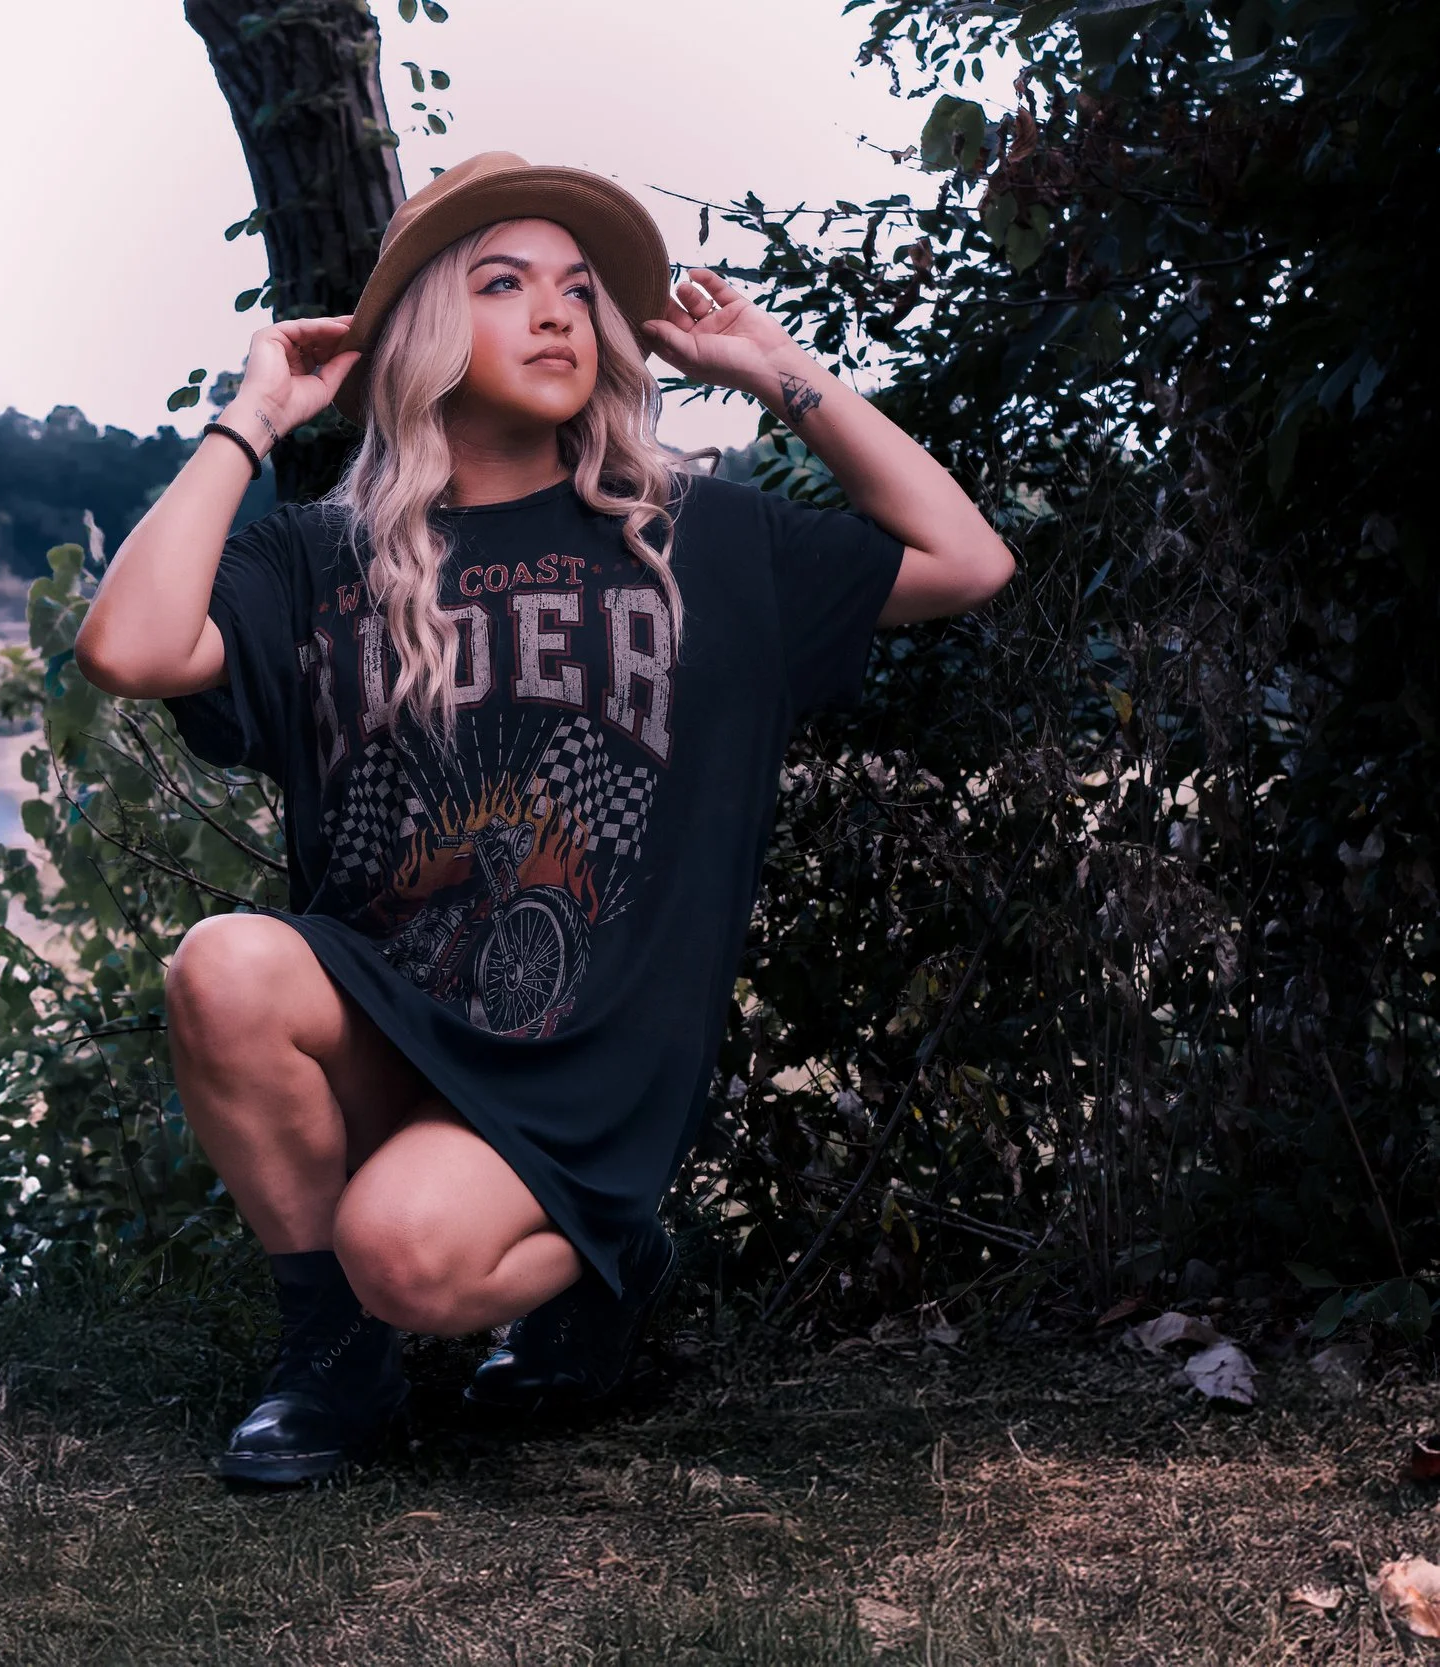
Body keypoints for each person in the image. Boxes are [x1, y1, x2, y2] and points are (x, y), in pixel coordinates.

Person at [72, 152, 1013, 1486]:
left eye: (579, 289)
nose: (560, 313)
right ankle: (330, 1365)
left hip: (585, 1042)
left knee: (405, 1250)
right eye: (504, 283)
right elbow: (127, 647)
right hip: (388, 1016)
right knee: (220, 966)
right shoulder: (319, 557)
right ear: (423, 331)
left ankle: (605, 1263)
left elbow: (968, 560)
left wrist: (775, 372)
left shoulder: (689, 537)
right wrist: (252, 421)